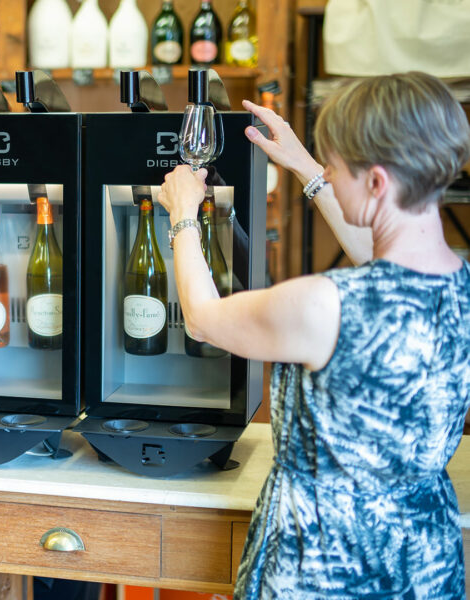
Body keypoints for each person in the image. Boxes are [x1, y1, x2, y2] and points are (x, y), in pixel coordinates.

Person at [157, 72, 470, 598]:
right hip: (426, 561)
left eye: (336, 165)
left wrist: (183, 215)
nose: (329, 172)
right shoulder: (457, 285)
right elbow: (384, 266)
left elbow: (203, 319)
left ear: (376, 182)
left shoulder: (325, 304)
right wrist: (305, 165)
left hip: (324, 568)